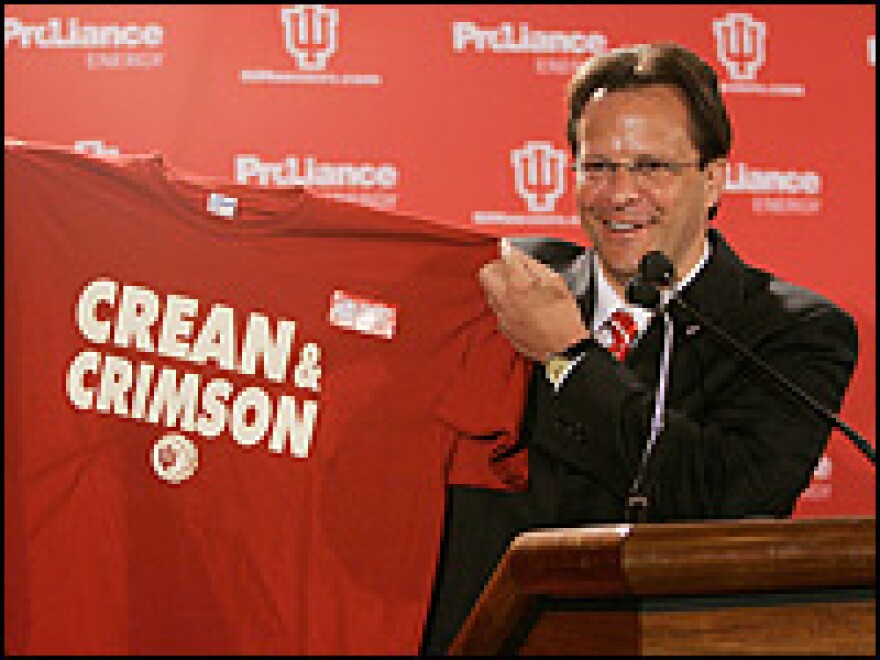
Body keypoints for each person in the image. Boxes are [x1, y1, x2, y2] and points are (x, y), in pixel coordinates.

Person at [422, 42, 860, 653]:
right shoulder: (506, 284)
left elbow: (725, 501)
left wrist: (570, 359)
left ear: (713, 180)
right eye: (598, 167)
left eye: (652, 167)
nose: (620, 193)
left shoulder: (794, 331)